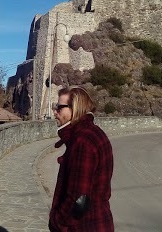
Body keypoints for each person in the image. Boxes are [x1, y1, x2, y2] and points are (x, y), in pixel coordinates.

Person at [49, 86, 114, 232]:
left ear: (75, 108)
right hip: (99, 222)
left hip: (84, 226)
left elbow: (78, 199)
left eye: (59, 107)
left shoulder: (82, 141)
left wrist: (57, 222)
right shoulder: (94, 133)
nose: (55, 112)